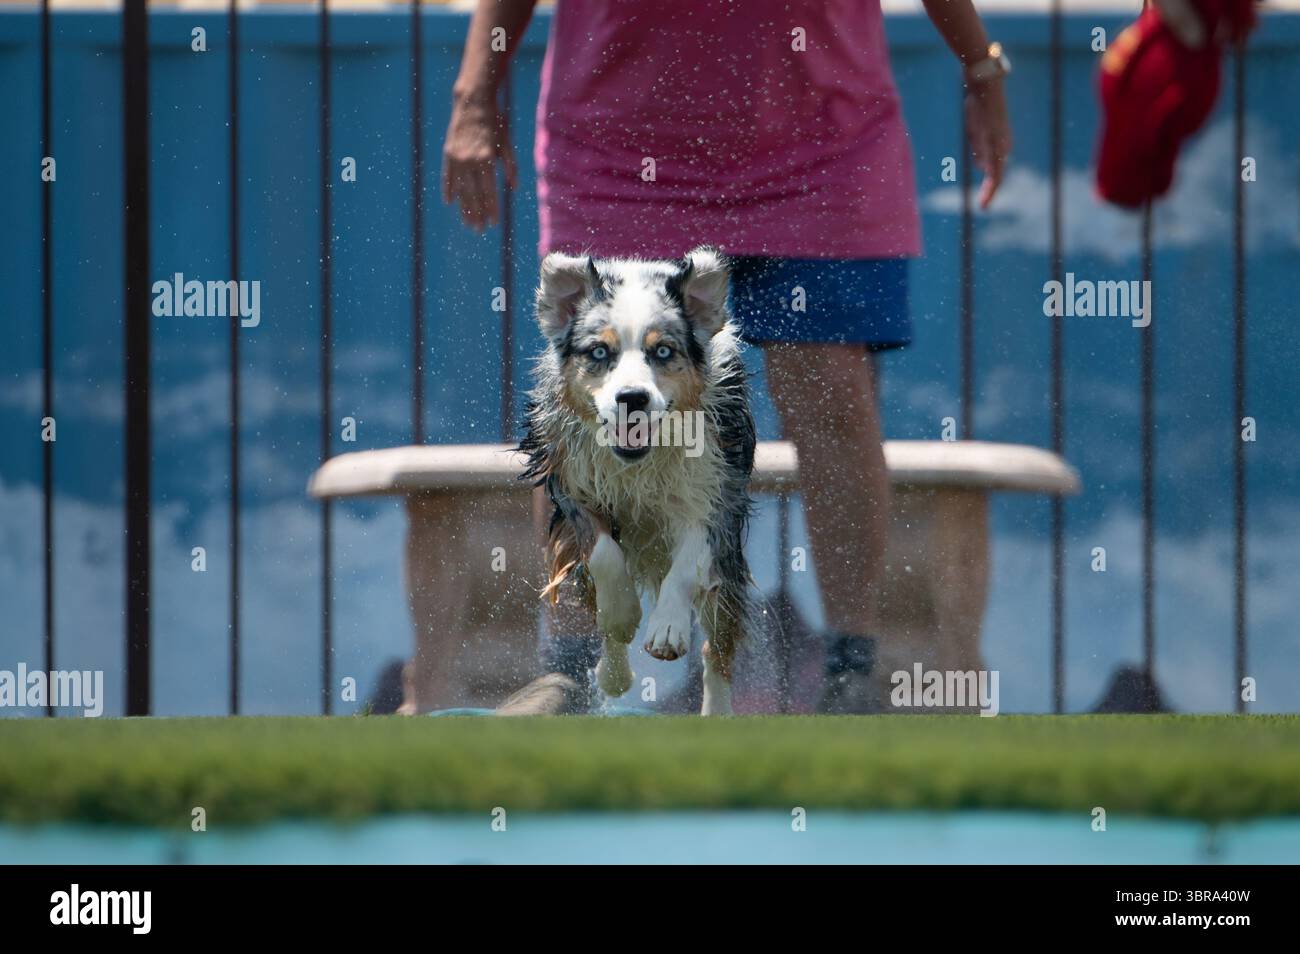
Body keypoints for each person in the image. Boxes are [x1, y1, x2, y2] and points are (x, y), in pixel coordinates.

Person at [443, 0, 1011, 713]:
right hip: (620, 146)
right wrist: (474, 94)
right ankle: (571, 674)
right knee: (594, 399)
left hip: (824, 139)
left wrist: (982, 67)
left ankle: (850, 674)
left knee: (831, 391)